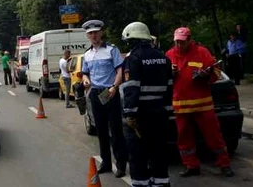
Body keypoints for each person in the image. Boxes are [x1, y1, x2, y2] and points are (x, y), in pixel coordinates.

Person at [165, 27, 234, 178]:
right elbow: (165, 78)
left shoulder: (202, 52)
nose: (179, 45)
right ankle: (191, 165)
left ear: (190, 40)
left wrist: (206, 75)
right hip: (181, 105)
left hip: (203, 105)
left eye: (182, 42)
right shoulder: (170, 54)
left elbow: (216, 72)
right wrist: (171, 74)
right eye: (177, 41)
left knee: (214, 136)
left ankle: (224, 164)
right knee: (184, 138)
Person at [120, 22, 173, 187]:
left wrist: (129, 113)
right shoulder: (163, 58)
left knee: (138, 152)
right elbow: (170, 86)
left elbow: (131, 87)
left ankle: (141, 182)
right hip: (160, 112)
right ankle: (161, 182)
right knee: (158, 150)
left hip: (140, 114)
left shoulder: (133, 58)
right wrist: (168, 109)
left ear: (132, 39)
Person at [81, 19, 128, 178]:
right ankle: (106, 163)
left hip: (110, 91)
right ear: (87, 36)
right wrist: (85, 79)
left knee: (115, 130)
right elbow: (85, 72)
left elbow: (120, 70)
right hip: (95, 93)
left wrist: (115, 87)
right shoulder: (87, 54)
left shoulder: (111, 49)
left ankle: (121, 165)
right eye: (90, 33)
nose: (93, 35)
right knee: (100, 130)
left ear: (101, 32)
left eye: (96, 32)